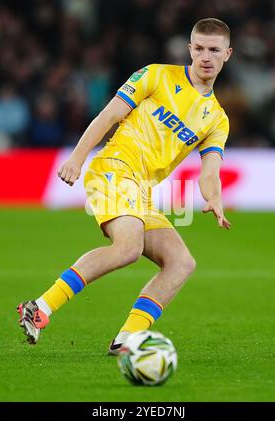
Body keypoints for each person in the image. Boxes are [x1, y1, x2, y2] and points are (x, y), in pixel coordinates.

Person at [17, 18, 232, 354]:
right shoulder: (155, 75)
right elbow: (108, 116)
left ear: (227, 54)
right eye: (200, 48)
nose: (206, 56)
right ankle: (40, 306)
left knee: (181, 262)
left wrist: (215, 198)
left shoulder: (217, 118)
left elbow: (210, 170)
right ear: (190, 48)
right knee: (128, 248)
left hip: (141, 189)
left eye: (214, 50)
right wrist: (76, 158)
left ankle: (127, 339)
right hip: (114, 169)